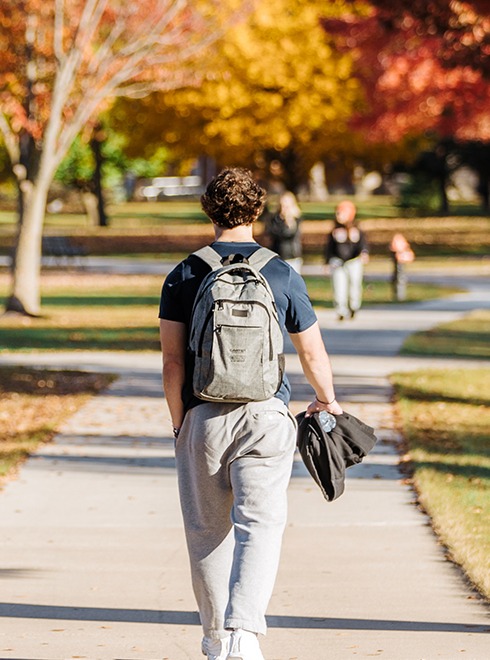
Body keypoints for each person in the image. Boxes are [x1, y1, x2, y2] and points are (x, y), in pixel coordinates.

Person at [159, 169, 346, 660]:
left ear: (209, 210)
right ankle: (245, 632)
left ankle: (216, 638)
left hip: (203, 417)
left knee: (206, 532)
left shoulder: (184, 273)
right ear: (257, 212)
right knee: (260, 524)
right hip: (266, 417)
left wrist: (181, 423)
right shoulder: (281, 272)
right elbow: (313, 354)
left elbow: (173, 362)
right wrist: (327, 399)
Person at [323, 201, 367, 321]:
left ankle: (354, 306)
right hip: (338, 262)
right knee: (339, 286)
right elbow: (329, 248)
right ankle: (341, 310)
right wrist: (327, 262)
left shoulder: (356, 230)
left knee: (355, 284)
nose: (338, 216)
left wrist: (364, 253)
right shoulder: (335, 230)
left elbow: (362, 245)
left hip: (353, 262)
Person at [263, 190, 303, 272]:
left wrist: (289, 220)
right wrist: (280, 220)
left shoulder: (296, 219)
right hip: (278, 254)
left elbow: (292, 234)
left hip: (292, 255)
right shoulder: (275, 219)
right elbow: (274, 233)